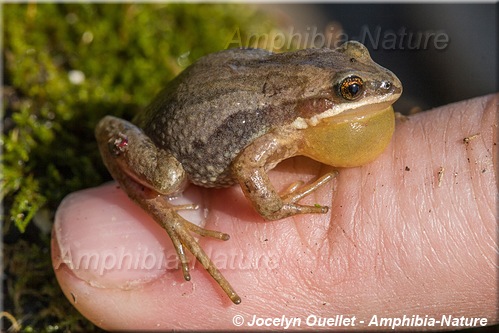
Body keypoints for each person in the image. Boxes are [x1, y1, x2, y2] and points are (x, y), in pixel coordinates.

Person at [52, 94, 497, 331]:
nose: (379, 89)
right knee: (168, 181)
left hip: (210, 97)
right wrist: (277, 206)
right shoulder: (284, 124)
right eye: (351, 90)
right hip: (175, 142)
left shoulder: (300, 116)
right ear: (314, 103)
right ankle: (155, 205)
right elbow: (248, 165)